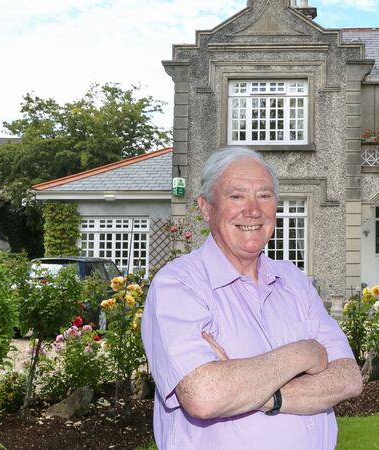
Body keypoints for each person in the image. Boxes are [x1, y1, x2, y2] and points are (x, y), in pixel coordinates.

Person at [142, 147, 362, 449]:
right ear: (206, 207)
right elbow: (205, 395)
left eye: (265, 195)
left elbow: (348, 378)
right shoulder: (179, 285)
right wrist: (305, 352)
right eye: (236, 196)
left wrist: (262, 393)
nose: (253, 210)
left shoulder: (294, 281)